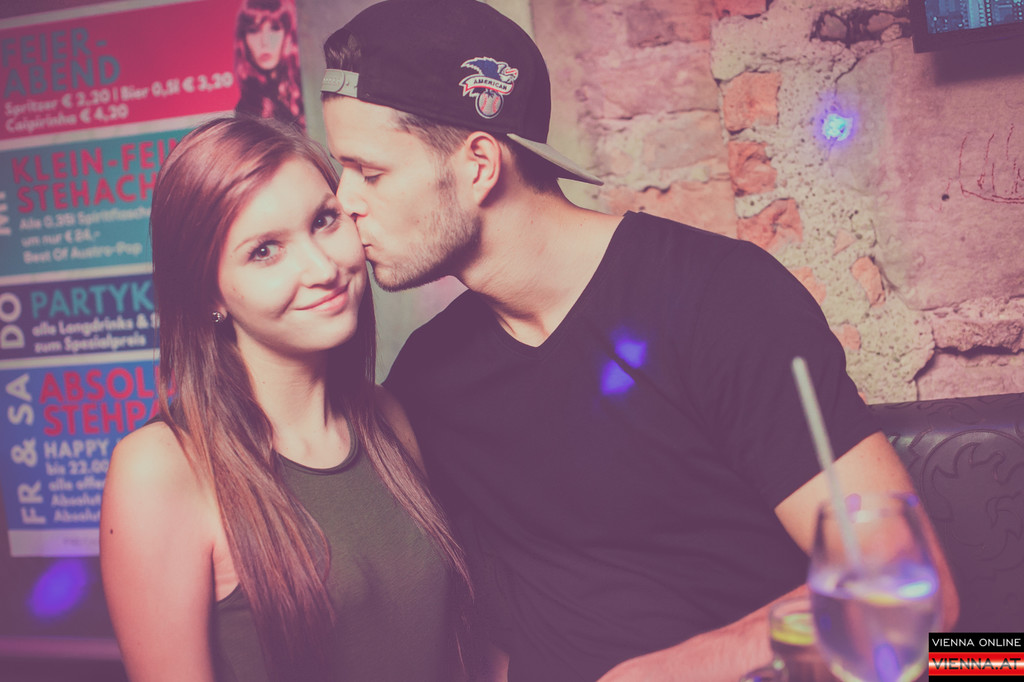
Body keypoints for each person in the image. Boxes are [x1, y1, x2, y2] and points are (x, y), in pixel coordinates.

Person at [319, 2, 960, 681]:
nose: (344, 200)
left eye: (370, 172)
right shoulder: (426, 379)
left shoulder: (721, 300)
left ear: (479, 164)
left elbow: (908, 597)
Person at [99, 116, 471, 682]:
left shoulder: (387, 418)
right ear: (207, 295)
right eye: (265, 251)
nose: (323, 268)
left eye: (324, 220)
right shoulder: (161, 468)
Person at [233, 0, 305, 130]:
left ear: (288, 34)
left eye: (275, 28)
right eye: (254, 31)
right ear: (244, 40)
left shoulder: (308, 88)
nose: (264, 42)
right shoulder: (246, 107)